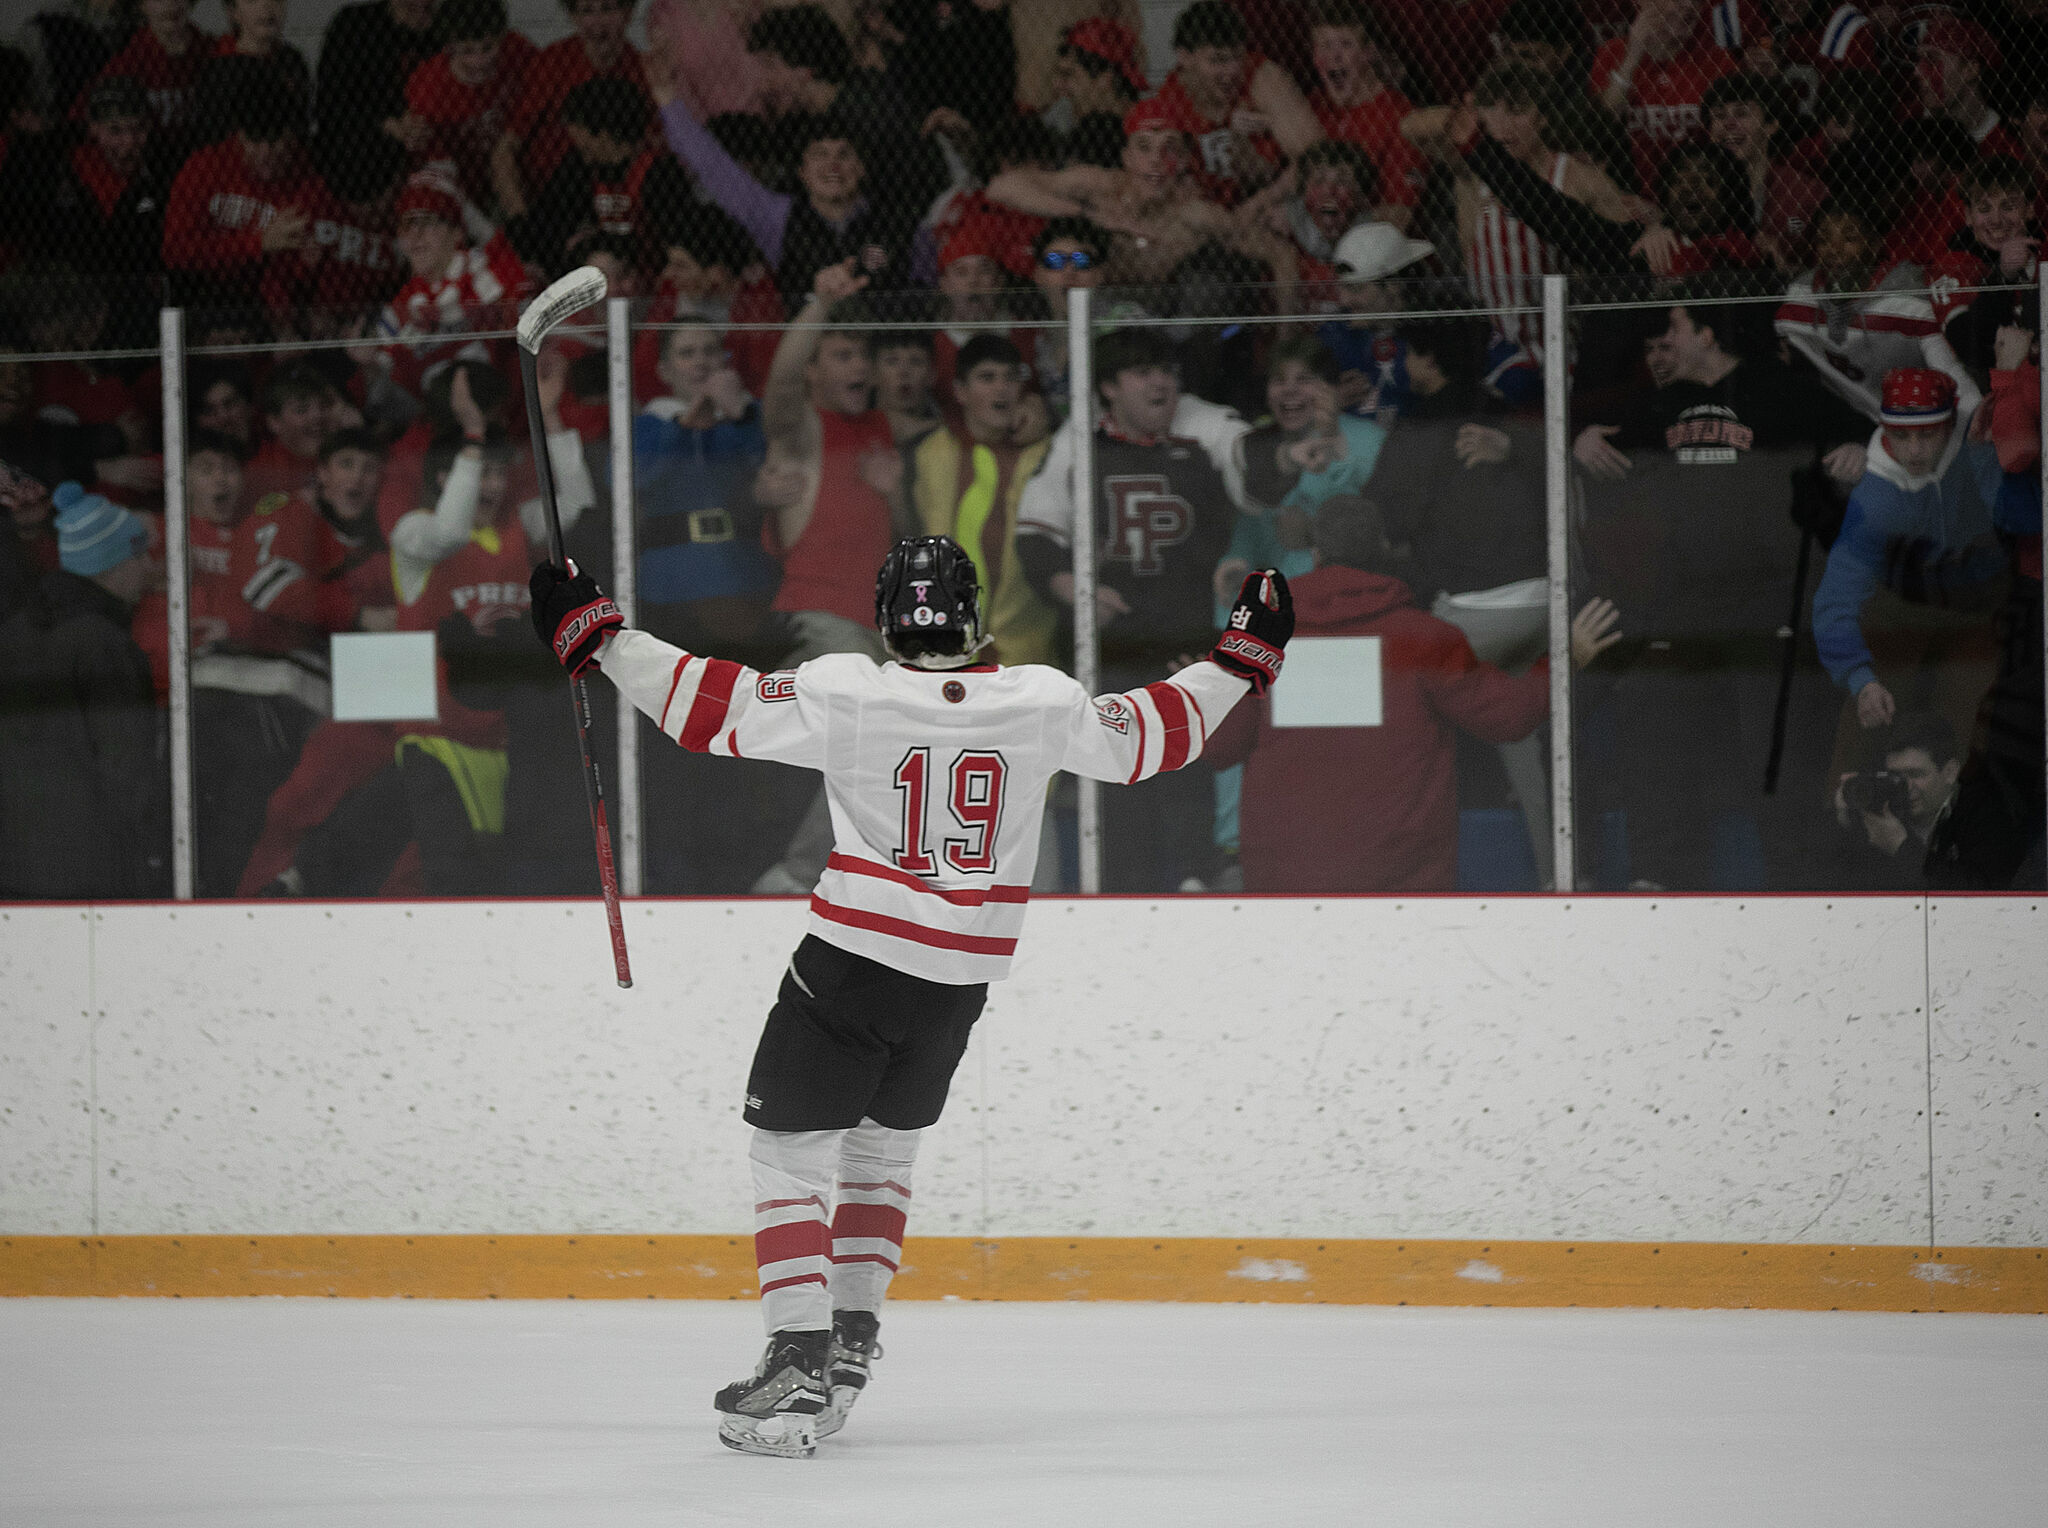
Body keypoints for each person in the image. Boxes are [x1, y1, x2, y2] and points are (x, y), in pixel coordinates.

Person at [527, 533, 1292, 1456]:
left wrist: (601, 635)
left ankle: (797, 1355)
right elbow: (1149, 737)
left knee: (788, 1155)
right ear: (974, 618)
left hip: (852, 962)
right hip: (957, 985)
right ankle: (849, 1340)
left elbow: (705, 706)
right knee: (880, 1158)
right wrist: (1238, 660)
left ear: (887, 619)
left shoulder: (847, 690)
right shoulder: (1041, 700)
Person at [1206, 494, 1618, 892]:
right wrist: (1566, 659)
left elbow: (1219, 745)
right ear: (1384, 550)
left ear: (1315, 554)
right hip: (1403, 880)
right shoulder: (1423, 639)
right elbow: (1507, 716)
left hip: (1284, 876)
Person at [1015, 325, 1251, 891]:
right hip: (1112, 647)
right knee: (1119, 775)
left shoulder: (1200, 439)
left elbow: (1255, 489)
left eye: (1166, 371)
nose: (1160, 383)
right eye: (1143, 372)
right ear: (1109, 388)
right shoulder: (1081, 447)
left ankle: (1196, 878)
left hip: (1187, 642)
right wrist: (1073, 587)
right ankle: (1123, 892)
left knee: (1190, 766)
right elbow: (1035, 534)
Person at [746, 260, 905, 894]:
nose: (857, 366)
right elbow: (781, 386)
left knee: (886, 743)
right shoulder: (803, 431)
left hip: (876, 634)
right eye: (841, 355)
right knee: (876, 728)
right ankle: (799, 873)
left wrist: (897, 493)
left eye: (862, 355)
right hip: (820, 621)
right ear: (815, 369)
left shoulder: (880, 431)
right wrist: (818, 302)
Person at [1812, 366, 2007, 760]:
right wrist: (1861, 681)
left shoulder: (1976, 447)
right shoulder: (1873, 501)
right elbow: (1835, 601)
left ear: (1949, 426)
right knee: (1867, 716)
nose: (1914, 450)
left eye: (1927, 434)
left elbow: (2012, 519)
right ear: (1884, 430)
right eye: (1900, 436)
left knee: (1972, 716)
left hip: (1978, 603)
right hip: (1900, 606)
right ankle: (1849, 791)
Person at [0, 481, 168, 898]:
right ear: (114, 563)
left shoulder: (12, 634)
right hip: (91, 871)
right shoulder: (105, 645)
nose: (150, 567)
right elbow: (127, 768)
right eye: (140, 555)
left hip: (13, 868)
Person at [908, 334, 1056, 668]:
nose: (1001, 389)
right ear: (960, 391)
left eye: (1010, 378)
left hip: (1024, 655)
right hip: (942, 649)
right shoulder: (931, 452)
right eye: (987, 378)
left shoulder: (1044, 453)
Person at [1145, 0, 1322, 208]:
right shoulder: (1169, 101)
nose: (1231, 71)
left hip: (1272, 204)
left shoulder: (1262, 78)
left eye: (1237, 57)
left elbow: (1316, 157)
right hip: (1205, 210)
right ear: (1185, 57)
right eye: (1218, 60)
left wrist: (1255, 206)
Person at [490, 0, 648, 223]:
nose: (598, 22)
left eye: (608, 8)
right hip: (538, 204)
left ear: (628, 13)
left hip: (611, 204)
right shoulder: (552, 62)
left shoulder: (643, 72)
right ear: (573, 17)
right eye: (586, 10)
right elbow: (504, 151)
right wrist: (520, 220)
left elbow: (646, 156)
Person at [398, 0, 539, 209]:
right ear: (449, 47)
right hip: (465, 186)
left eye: (487, 48)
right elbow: (437, 167)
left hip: (522, 163)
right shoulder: (430, 88)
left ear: (501, 37)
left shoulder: (518, 50)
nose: (479, 61)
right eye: (467, 51)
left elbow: (546, 93)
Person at [1302, 1, 1426, 231]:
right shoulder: (1312, 105)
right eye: (1325, 46)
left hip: (1368, 244)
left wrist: (1308, 223)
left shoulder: (1399, 116)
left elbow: (1400, 213)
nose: (1334, 56)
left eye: (1345, 44)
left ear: (1369, 53)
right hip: (1309, 243)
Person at [1827, 712, 1963, 889]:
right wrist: (1843, 819)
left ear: (1950, 772)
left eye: (1915, 774)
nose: (1904, 786)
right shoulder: (1879, 815)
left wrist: (1901, 846)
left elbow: (1967, 891)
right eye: (1895, 776)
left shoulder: (1978, 816)